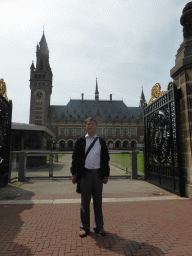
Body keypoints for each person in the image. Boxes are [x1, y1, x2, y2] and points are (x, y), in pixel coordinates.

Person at [71, 117, 110, 237]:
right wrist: (74, 173)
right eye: (88, 124)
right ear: (85, 127)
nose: (90, 126)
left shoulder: (101, 141)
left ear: (97, 126)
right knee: (84, 202)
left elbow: (105, 159)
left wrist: (106, 175)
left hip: (98, 174)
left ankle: (99, 226)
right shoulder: (80, 140)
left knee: (98, 202)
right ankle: (85, 227)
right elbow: (75, 158)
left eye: (93, 124)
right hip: (84, 174)